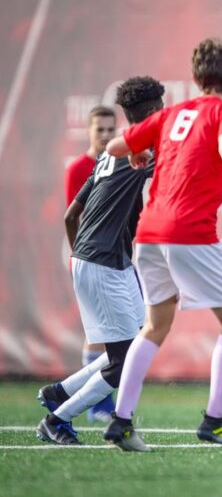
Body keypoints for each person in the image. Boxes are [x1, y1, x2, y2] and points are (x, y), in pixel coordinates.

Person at [103, 38, 222, 452]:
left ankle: (120, 423)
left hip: (149, 234)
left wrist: (138, 154)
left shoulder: (172, 113)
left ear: (195, 77)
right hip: (190, 233)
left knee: (156, 325)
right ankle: (215, 422)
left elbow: (113, 147)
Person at [36, 77, 165, 445]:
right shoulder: (138, 150)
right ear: (154, 112)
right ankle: (57, 420)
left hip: (106, 260)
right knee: (124, 361)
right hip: (104, 262)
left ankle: (60, 392)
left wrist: (81, 257)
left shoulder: (112, 151)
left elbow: (70, 216)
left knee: (130, 349)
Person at [63, 105, 118, 423]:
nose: (106, 135)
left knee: (117, 333)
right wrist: (80, 259)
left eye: (111, 129)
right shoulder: (78, 168)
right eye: (100, 129)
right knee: (100, 334)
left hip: (116, 259)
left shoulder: (121, 163)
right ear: (88, 131)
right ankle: (96, 404)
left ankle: (93, 400)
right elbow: (75, 217)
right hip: (91, 259)